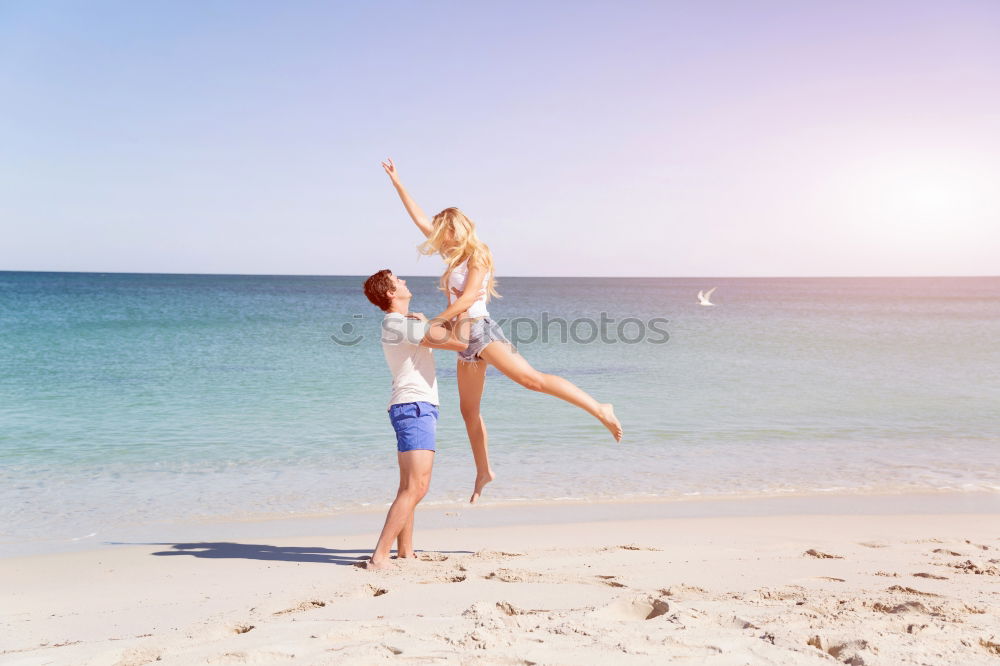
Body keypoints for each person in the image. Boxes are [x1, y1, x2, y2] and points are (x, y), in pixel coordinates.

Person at [381, 158, 624, 505]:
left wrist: (433, 322)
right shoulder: (451, 256)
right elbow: (420, 219)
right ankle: (484, 470)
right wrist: (398, 184)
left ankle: (600, 407)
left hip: (481, 332)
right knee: (468, 411)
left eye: (441, 232)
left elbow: (467, 299)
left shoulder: (478, 254)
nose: (436, 238)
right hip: (463, 340)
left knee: (531, 380)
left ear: (453, 229)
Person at [361, 269, 472, 569]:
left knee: (409, 486)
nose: (405, 282)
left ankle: (405, 552)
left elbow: (439, 335)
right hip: (414, 407)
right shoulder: (397, 323)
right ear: (390, 293)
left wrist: (435, 320)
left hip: (413, 406)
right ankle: (379, 557)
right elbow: (459, 343)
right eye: (399, 281)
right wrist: (465, 305)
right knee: (417, 488)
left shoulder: (402, 324)